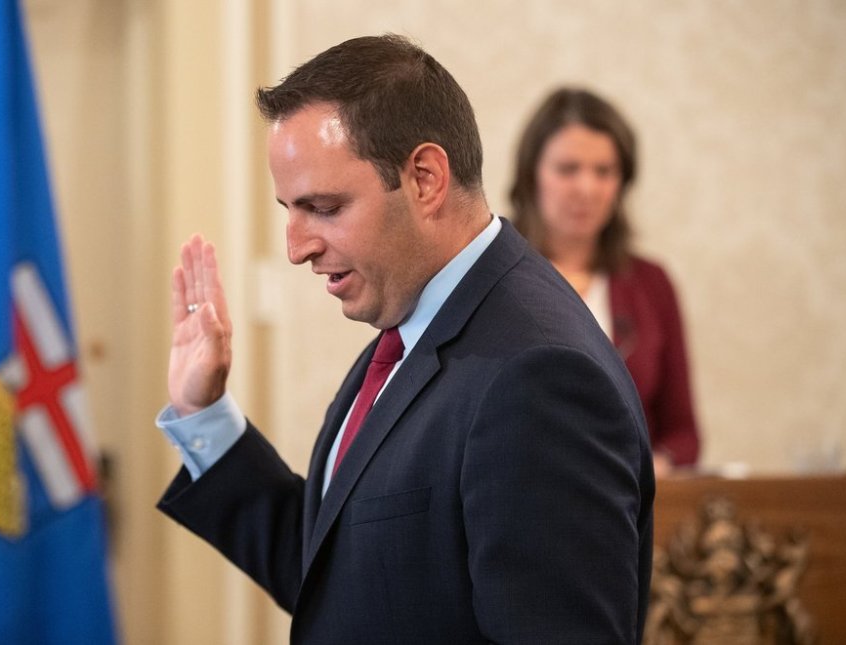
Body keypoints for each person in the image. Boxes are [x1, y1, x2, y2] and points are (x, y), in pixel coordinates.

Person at [156, 35, 654, 643]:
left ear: (424, 178)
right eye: (290, 208)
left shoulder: (539, 376)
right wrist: (202, 414)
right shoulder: (418, 322)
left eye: (325, 207)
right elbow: (338, 572)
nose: (296, 247)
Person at [509, 87, 701, 476]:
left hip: (628, 508)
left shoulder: (651, 283)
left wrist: (655, 467)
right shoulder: (497, 277)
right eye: (568, 169)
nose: (587, 189)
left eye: (604, 171)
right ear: (532, 176)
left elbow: (684, 434)